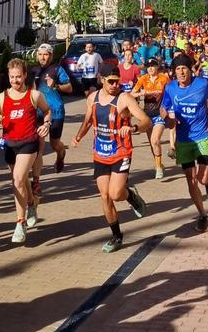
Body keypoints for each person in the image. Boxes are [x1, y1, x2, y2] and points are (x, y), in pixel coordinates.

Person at [71, 64, 151, 253]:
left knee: (116, 194)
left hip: (121, 151)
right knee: (105, 196)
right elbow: (88, 120)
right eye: (111, 82)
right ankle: (116, 236)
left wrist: (133, 128)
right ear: (102, 79)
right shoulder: (93, 98)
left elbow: (146, 120)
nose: (115, 85)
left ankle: (130, 195)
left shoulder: (124, 98)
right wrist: (78, 136)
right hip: (100, 153)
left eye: (118, 81)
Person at [0, 59, 51, 242]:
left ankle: (20, 223)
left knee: (18, 179)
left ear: (24, 75)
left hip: (29, 143)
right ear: (8, 77)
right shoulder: (2, 97)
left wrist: (46, 123)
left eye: (18, 77)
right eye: (12, 77)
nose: (15, 80)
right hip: (9, 144)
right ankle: (30, 203)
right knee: (21, 181)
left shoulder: (34, 95)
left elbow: (47, 111)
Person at [160, 54, 208, 233]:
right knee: (191, 180)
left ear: (190, 70)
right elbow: (164, 107)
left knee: (202, 178)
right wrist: (166, 118)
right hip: (183, 139)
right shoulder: (170, 88)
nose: (181, 72)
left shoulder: (201, 85)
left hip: (201, 136)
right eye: (177, 69)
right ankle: (202, 215)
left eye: (184, 68)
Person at [29, 44, 72, 198]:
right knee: (39, 147)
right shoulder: (32, 71)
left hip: (56, 112)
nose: (42, 57)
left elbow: (69, 88)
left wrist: (56, 86)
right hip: (38, 113)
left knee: (54, 145)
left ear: (51, 56)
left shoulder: (57, 69)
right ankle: (36, 182)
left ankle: (61, 153)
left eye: (46, 54)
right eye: (40, 54)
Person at [132, 59, 172, 179]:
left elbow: (172, 91)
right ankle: (158, 163)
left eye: (153, 66)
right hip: (147, 115)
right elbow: (131, 93)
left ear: (157, 67)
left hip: (160, 113)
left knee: (155, 140)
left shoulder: (164, 78)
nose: (150, 68)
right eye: (148, 67)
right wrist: (140, 94)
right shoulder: (143, 79)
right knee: (151, 143)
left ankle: (159, 168)